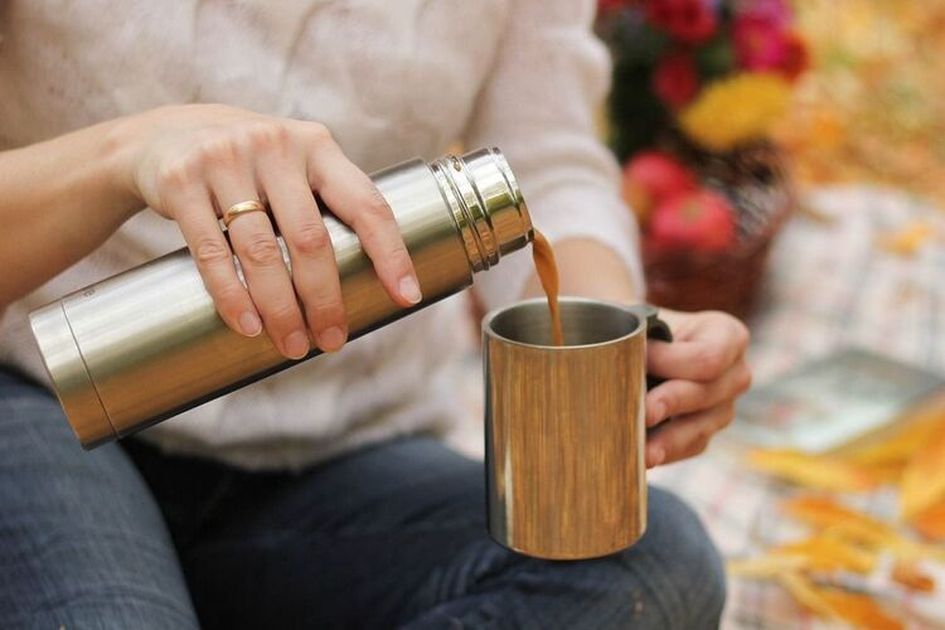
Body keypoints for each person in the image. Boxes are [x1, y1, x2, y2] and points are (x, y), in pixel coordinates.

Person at [0, 1, 751, 628]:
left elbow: (546, 165)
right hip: (42, 406)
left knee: (651, 566)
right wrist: (125, 151)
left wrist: (620, 329)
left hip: (338, 458)